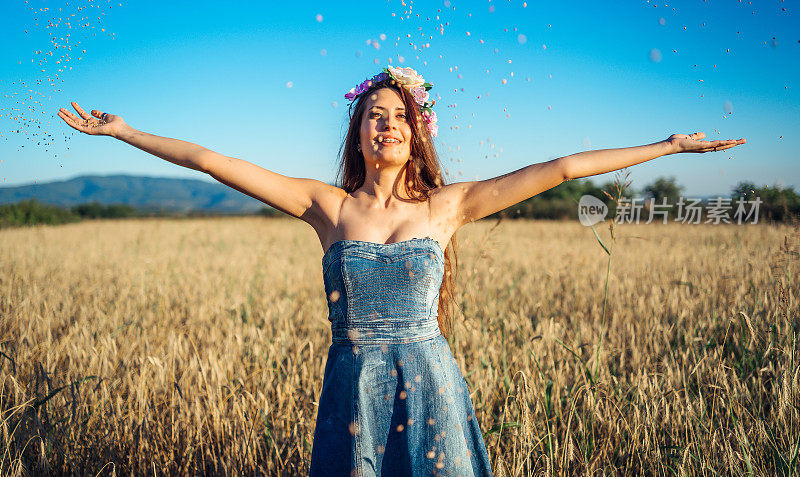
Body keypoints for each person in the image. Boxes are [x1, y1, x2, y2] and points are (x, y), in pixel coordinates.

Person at [57, 65, 745, 476]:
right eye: (373, 116)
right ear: (358, 133)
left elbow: (562, 167)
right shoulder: (325, 206)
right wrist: (125, 132)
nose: (386, 125)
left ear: (418, 134)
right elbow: (215, 162)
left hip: (430, 383)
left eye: (399, 117)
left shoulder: (448, 206)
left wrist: (668, 146)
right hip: (354, 385)